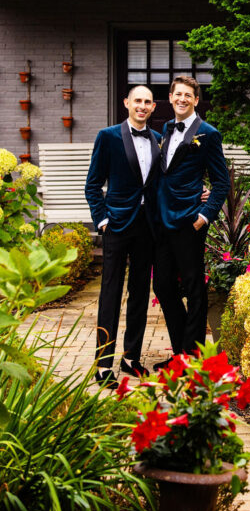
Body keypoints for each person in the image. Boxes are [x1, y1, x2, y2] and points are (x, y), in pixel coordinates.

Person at [85, 84, 161, 388]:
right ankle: (103, 365)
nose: (142, 106)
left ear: (154, 107)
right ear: (126, 103)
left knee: (141, 292)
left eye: (148, 102)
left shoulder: (157, 140)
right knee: (110, 292)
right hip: (116, 225)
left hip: (147, 227)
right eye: (137, 100)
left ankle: (131, 357)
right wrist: (102, 220)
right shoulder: (108, 136)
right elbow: (93, 184)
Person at [153, 75, 230, 366]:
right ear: (171, 98)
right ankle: (182, 353)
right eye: (178, 94)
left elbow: (221, 183)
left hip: (189, 222)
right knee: (162, 286)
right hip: (162, 221)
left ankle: (190, 357)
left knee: (195, 288)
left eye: (188, 95)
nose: (182, 99)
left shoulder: (208, 133)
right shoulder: (165, 128)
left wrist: (204, 215)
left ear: (196, 100)